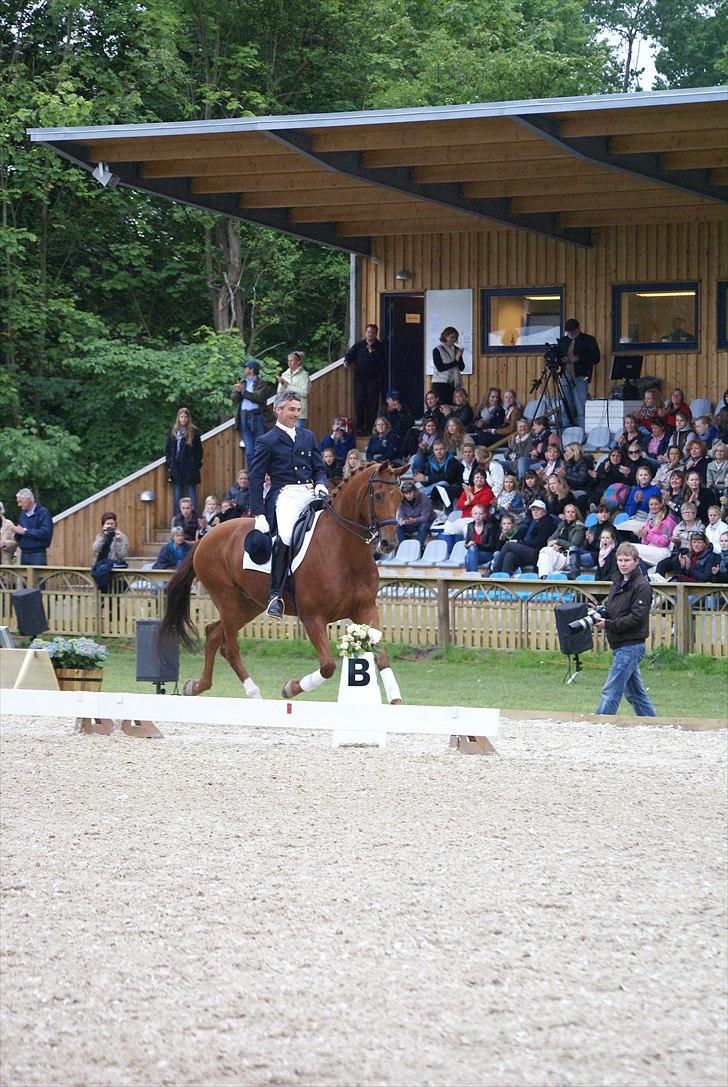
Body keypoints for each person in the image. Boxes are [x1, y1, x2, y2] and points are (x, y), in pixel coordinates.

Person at [249, 390, 329, 618]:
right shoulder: (267, 441)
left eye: (298, 409)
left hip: (310, 492)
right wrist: (259, 513)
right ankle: (276, 595)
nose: (296, 413)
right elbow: (255, 478)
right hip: (284, 494)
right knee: (285, 535)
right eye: (292, 409)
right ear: (278, 410)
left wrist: (321, 483)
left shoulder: (307, 436)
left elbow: (319, 467)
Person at [594, 543, 656, 717]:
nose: (623, 564)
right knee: (635, 694)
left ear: (636, 561)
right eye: (620, 560)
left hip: (631, 645)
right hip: (619, 644)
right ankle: (653, 724)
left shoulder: (642, 585)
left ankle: (601, 723)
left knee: (611, 690)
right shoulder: (617, 582)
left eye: (627, 560)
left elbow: (637, 618)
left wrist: (608, 624)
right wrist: (602, 611)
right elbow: (615, 610)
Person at [491, 499, 556, 575]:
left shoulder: (546, 523)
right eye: (533, 510)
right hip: (533, 552)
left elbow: (537, 543)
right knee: (510, 556)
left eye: (538, 510)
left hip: (539, 554)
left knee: (509, 545)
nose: (535, 512)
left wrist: (520, 542)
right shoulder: (535, 522)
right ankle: (505, 579)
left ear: (544, 512)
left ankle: (495, 572)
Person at [557, 318, 600, 429]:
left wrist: (579, 359)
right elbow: (557, 357)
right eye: (568, 331)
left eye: (573, 330)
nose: (571, 333)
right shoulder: (562, 341)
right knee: (566, 406)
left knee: (581, 406)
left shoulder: (588, 340)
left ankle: (582, 431)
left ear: (578, 329)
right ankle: (566, 432)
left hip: (581, 376)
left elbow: (596, 357)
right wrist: (562, 360)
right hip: (565, 376)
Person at [345, 323, 386, 435]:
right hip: (360, 380)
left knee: (372, 405)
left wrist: (372, 353)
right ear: (365, 332)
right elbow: (350, 355)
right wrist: (346, 361)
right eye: (368, 332)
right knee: (359, 403)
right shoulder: (359, 345)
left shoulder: (380, 347)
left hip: (374, 381)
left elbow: (382, 361)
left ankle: (370, 428)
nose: (370, 334)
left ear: (376, 334)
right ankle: (359, 428)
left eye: (372, 333)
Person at [165, 406, 203, 516]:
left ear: (188, 418)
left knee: (191, 491)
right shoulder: (173, 431)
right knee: (177, 492)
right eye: (181, 417)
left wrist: (196, 464)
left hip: (190, 466)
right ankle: (177, 516)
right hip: (176, 465)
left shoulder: (194, 431)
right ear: (178, 418)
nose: (183, 419)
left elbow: (199, 450)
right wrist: (170, 463)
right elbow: (168, 448)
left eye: (185, 417)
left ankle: (194, 515)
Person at [232, 360, 270, 465]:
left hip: (257, 416)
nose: (244, 370)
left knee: (260, 449)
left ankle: (262, 476)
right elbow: (234, 399)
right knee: (249, 452)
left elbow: (258, 398)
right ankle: (252, 477)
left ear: (252, 370)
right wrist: (237, 391)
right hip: (244, 417)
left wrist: (243, 391)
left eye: (246, 368)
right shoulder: (242, 382)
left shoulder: (261, 383)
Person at [536, 504, 586, 577]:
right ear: (565, 514)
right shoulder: (562, 525)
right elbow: (550, 539)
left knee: (544, 553)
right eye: (568, 512)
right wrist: (554, 544)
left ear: (576, 514)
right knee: (545, 552)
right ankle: (545, 577)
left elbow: (573, 546)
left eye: (573, 512)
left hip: (571, 557)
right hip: (560, 554)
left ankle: (545, 578)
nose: (570, 514)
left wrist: (558, 542)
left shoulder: (580, 527)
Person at [632, 496, 676, 568]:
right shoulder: (650, 518)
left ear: (661, 504)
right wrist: (641, 534)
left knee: (630, 548)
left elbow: (664, 542)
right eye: (651, 504)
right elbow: (645, 542)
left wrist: (647, 534)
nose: (653, 507)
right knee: (627, 549)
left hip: (663, 551)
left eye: (656, 504)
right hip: (651, 549)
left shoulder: (667, 520)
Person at [14, 489, 53, 566]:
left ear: (29, 500)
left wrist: (25, 531)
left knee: (37, 578)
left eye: (20, 501)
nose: (19, 505)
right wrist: (16, 532)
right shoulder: (23, 514)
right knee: (24, 578)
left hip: (38, 554)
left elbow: (45, 533)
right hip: (24, 554)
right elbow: (19, 538)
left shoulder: (43, 513)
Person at [396, 481, 434, 553]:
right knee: (398, 526)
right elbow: (401, 515)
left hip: (424, 523)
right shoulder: (401, 501)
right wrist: (401, 520)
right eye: (406, 493)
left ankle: (418, 548)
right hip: (410, 523)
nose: (408, 495)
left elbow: (425, 517)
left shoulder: (424, 499)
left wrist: (414, 520)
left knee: (424, 525)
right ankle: (403, 548)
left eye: (410, 493)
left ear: (415, 492)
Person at [431, 326, 465, 405]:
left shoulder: (457, 349)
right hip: (440, 384)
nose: (454, 339)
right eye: (452, 337)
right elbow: (440, 367)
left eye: (455, 337)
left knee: (453, 406)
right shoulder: (437, 350)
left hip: (453, 384)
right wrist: (456, 360)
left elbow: (462, 367)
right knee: (441, 407)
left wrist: (459, 357)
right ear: (445, 337)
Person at [277, 351, 310, 427]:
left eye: (291, 361)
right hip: (287, 410)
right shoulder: (285, 374)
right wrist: (282, 384)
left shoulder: (304, 375)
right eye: (288, 361)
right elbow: (280, 392)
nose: (289, 363)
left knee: (298, 436)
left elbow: (305, 393)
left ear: (298, 362)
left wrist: (289, 386)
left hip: (299, 412)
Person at [463, 505, 500, 573]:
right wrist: (467, 545)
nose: (478, 516)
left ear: (484, 515)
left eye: (480, 514)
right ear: (472, 515)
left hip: (488, 554)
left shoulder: (490, 527)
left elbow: (491, 547)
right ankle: (473, 577)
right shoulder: (470, 526)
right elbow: (467, 542)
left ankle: (472, 577)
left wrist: (476, 545)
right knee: (468, 556)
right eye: (475, 513)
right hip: (474, 553)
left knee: (471, 551)